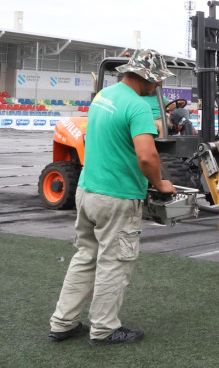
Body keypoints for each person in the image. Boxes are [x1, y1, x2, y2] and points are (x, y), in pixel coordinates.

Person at [48, 49, 177, 346]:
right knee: (115, 262)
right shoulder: (138, 106)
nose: (157, 86)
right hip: (116, 198)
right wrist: (161, 183)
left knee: (85, 257)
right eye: (156, 80)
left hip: (87, 191)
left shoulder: (103, 97)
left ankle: (63, 322)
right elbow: (147, 157)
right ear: (145, 76)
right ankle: (104, 329)